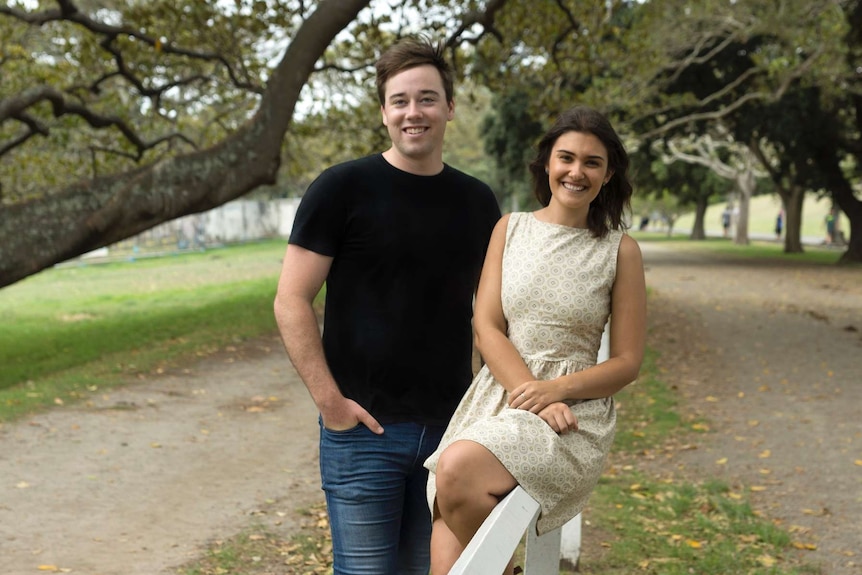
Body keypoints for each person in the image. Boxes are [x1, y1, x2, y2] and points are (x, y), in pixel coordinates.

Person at [272, 36, 500, 575]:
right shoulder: (341, 188)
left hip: (451, 434)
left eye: (426, 98)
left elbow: (497, 313)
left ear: (449, 107)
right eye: (400, 100)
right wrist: (331, 403)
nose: (413, 112)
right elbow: (290, 300)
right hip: (362, 431)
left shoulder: (478, 202)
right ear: (383, 112)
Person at [424, 106, 647, 575]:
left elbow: (627, 362)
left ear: (608, 176)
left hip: (572, 415)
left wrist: (555, 393)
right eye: (566, 158)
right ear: (547, 163)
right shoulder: (510, 229)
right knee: (446, 514)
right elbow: (486, 326)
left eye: (592, 162)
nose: (576, 171)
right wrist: (534, 396)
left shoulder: (619, 251)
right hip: (501, 395)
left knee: (457, 470)